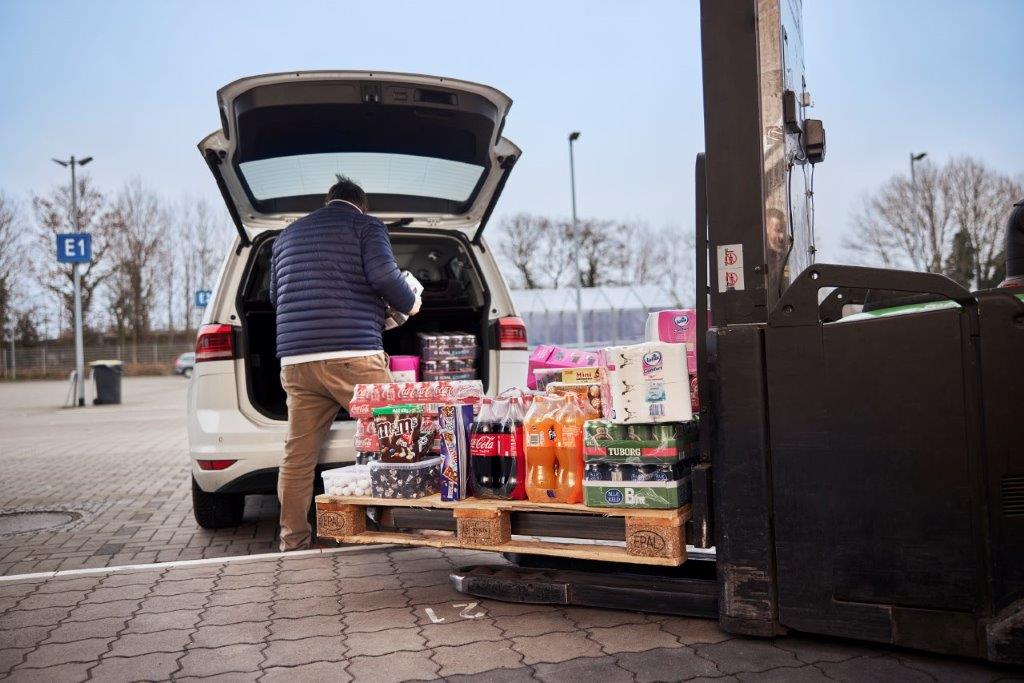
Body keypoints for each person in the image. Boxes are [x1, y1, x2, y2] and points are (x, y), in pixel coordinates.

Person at [269, 176, 420, 551]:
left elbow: (276, 296)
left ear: (329, 201)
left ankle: (294, 539)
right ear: (361, 204)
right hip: (353, 355)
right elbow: (384, 276)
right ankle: (394, 529)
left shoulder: (285, 237)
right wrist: (409, 302)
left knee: (298, 455)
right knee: (395, 440)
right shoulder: (366, 225)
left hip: (297, 361)